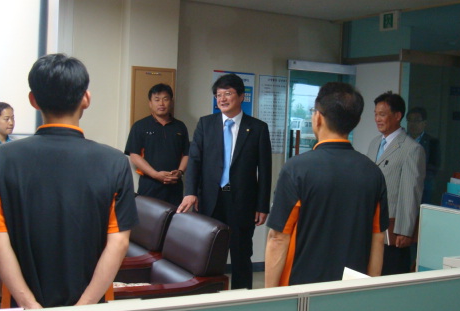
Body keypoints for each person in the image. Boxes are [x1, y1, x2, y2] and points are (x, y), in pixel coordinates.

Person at [0, 54, 138, 308]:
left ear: (33, 100)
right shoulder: (114, 163)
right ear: (86, 99)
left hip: (24, 310)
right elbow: (119, 242)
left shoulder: (3, 159)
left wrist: (30, 305)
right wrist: (84, 306)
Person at [265, 82, 388, 287]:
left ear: (318, 118)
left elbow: (278, 238)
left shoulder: (296, 169)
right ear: (356, 121)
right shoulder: (373, 173)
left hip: (301, 288)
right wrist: (369, 291)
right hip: (351, 288)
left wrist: (269, 295)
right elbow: (378, 238)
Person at [177, 73, 272, 290]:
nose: (222, 99)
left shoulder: (257, 128)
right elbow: (195, 161)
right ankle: (209, 295)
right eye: (218, 95)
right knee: (208, 253)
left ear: (241, 96)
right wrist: (190, 192)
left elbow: (265, 170)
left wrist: (262, 205)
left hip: (242, 202)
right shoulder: (206, 124)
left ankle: (241, 297)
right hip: (210, 200)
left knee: (241, 254)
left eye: (227, 94)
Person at [367, 91, 425, 275]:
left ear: (397, 116)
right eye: (376, 114)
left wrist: (405, 230)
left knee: (390, 273)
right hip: (371, 224)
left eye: (382, 114)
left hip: (393, 230)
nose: (377, 119)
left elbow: (410, 192)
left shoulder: (411, 149)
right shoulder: (374, 143)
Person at [124, 84, 189, 206]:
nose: (161, 103)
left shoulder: (180, 126)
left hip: (174, 185)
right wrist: (155, 174)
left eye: (165, 99)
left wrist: (180, 172)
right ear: (150, 103)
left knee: (175, 217)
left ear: (171, 102)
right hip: (150, 184)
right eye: (157, 99)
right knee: (147, 217)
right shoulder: (140, 126)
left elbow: (187, 154)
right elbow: (134, 156)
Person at [406, 107, 439, 204]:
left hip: (424, 184)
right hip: (404, 184)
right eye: (410, 120)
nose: (412, 124)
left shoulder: (432, 142)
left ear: (424, 123)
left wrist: (417, 177)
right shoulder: (402, 140)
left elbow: (434, 166)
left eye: (416, 120)